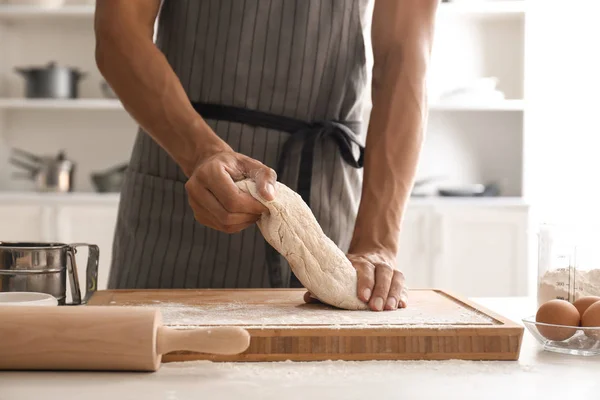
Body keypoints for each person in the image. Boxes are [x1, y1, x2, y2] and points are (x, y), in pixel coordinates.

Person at [95, 0, 437, 312]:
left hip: (326, 201)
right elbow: (119, 33)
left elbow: (404, 62)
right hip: (182, 191)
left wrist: (375, 243)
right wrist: (201, 153)